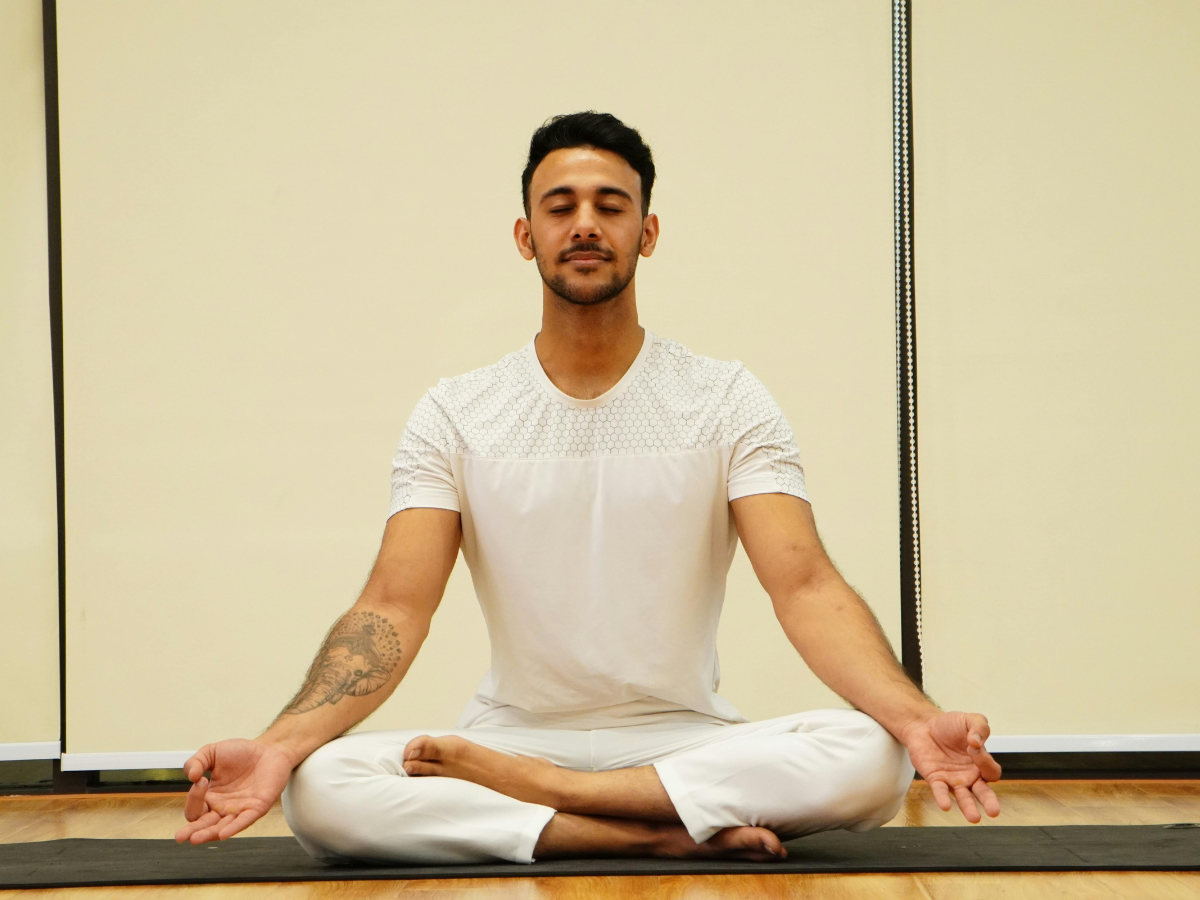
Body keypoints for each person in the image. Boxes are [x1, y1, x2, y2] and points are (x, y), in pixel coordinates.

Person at [175, 111, 1001, 864]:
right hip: (510, 738)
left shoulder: (724, 398)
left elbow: (806, 585)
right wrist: (280, 747)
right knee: (322, 789)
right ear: (524, 235)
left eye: (610, 205)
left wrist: (917, 722)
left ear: (646, 233)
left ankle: (564, 808)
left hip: (678, 740)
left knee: (874, 758)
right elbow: (393, 607)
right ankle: (649, 833)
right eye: (560, 204)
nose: (584, 224)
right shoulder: (456, 411)